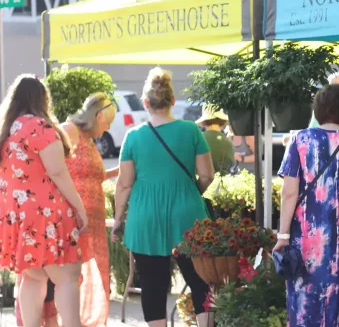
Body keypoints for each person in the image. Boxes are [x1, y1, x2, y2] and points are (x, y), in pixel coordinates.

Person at [110, 68, 214, 327]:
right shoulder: (191, 131)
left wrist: (118, 219)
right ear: (173, 100)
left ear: (145, 103)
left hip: (146, 216)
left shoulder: (134, 136)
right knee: (200, 280)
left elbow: (123, 185)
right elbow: (207, 175)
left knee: (152, 283)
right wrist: (190, 193)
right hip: (187, 213)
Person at [15, 92, 118, 327]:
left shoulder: (91, 140)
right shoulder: (69, 130)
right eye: (107, 121)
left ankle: (69, 321)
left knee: (68, 278)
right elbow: (52, 168)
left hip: (86, 220)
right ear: (98, 115)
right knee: (60, 277)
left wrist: (121, 169)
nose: (109, 126)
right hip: (66, 218)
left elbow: (94, 176)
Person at [274, 84, 339, 327]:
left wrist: (283, 234)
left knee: (306, 300)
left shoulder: (300, 141)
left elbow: (289, 192)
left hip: (307, 237)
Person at [0, 75, 88, 327]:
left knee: (32, 277)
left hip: (17, 216)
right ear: (42, 99)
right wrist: (79, 208)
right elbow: (57, 172)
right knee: (67, 277)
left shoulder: (7, 130)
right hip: (47, 213)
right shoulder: (40, 127)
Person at [196, 105, 235, 174]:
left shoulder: (197, 139)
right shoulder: (227, 142)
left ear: (203, 122)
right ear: (223, 121)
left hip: (200, 180)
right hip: (222, 181)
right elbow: (231, 162)